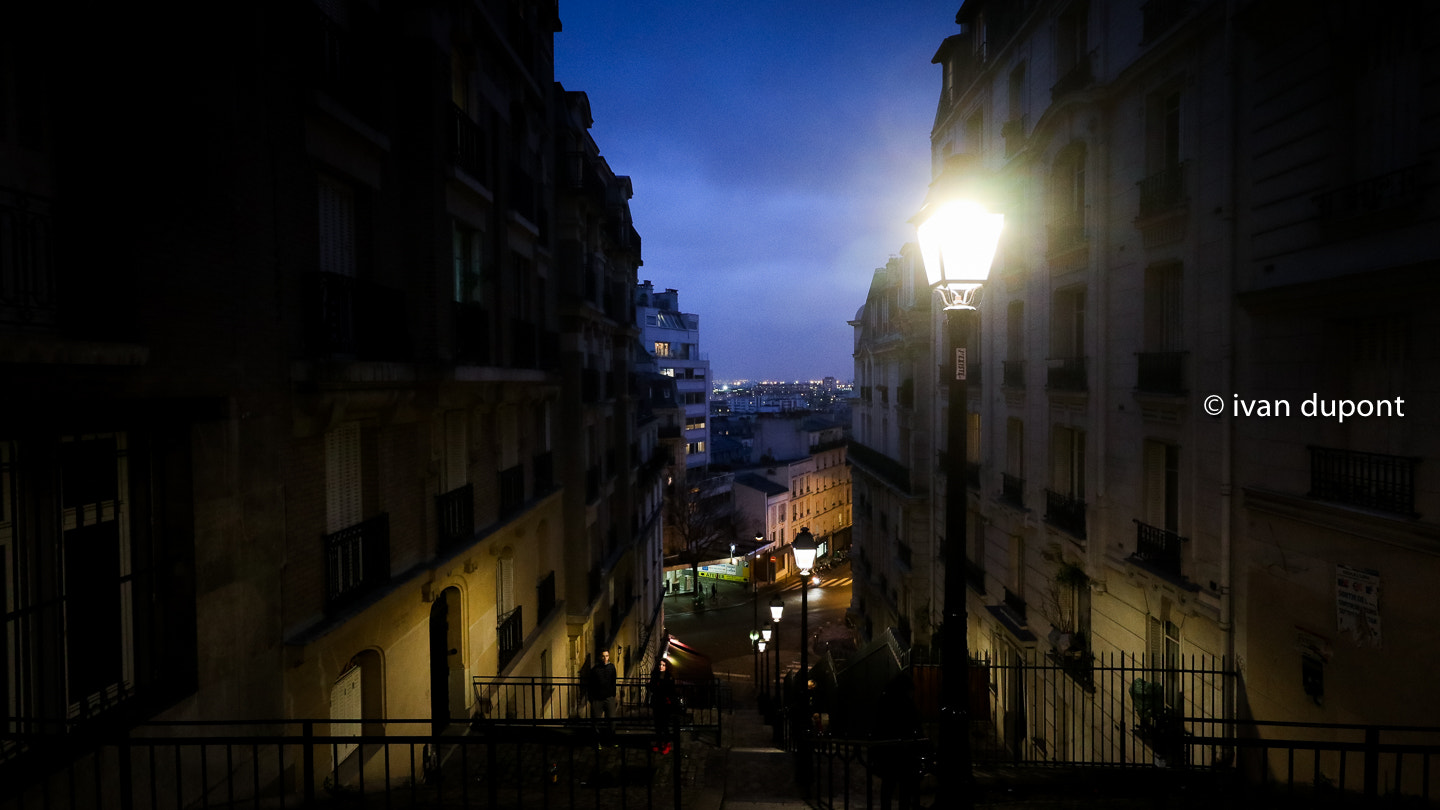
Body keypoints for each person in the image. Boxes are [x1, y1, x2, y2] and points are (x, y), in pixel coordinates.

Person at [648, 659, 678, 753]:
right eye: (660, 664)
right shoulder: (655, 675)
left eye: (663, 665)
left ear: (666, 667)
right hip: (657, 702)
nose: (661, 666)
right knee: (657, 725)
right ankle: (659, 742)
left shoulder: (669, 677)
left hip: (665, 704)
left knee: (664, 724)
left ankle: (666, 743)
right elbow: (652, 688)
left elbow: (670, 691)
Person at [587, 649, 618, 737]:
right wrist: (592, 699)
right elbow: (590, 684)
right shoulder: (595, 670)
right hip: (597, 699)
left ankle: (611, 739)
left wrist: (613, 695)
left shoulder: (611, 667)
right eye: (603, 656)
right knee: (595, 721)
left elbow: (613, 682)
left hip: (609, 697)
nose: (605, 658)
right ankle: (597, 741)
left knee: (612, 720)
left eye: (607, 656)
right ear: (600, 657)